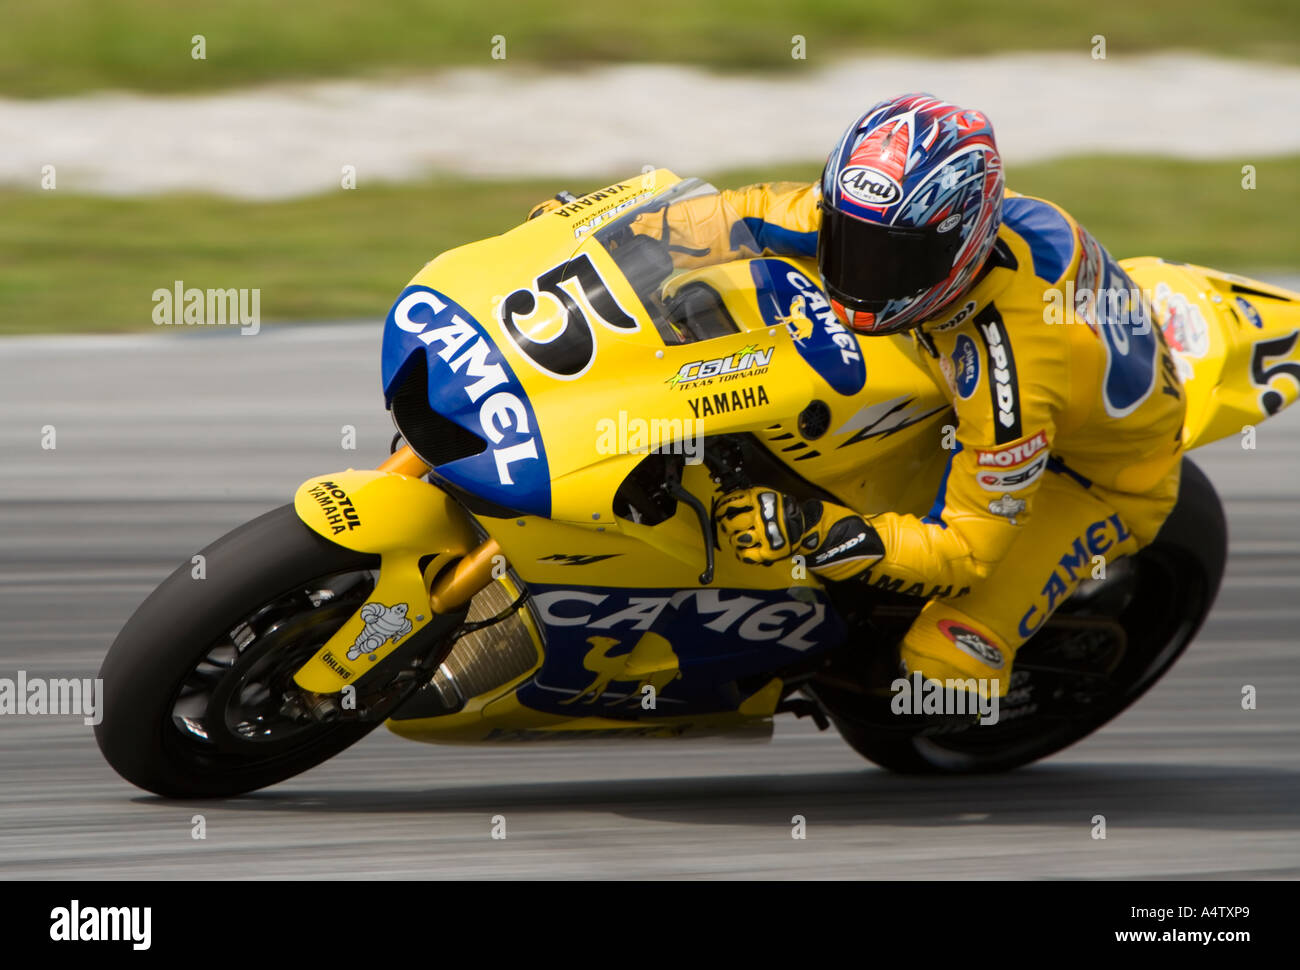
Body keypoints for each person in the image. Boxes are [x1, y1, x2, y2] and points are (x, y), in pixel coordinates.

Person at [631, 93, 1187, 700]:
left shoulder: (1011, 377)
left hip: (1091, 475)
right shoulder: (896, 220)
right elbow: (741, 216)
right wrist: (622, 241)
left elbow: (966, 550)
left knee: (941, 671)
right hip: (950, 352)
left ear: (961, 244)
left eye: (889, 260)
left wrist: (812, 527)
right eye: (849, 241)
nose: (859, 274)